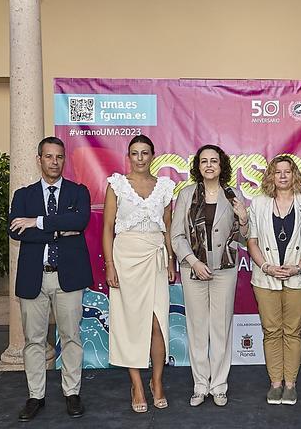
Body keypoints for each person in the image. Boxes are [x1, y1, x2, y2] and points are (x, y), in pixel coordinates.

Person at [8, 136, 92, 421]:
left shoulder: (78, 192)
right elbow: (16, 231)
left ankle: (72, 393)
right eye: (48, 157)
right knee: (33, 340)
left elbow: (80, 222)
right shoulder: (23, 195)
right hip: (35, 278)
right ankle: (35, 396)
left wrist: (38, 222)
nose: (54, 162)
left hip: (68, 278)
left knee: (71, 337)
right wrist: (58, 230)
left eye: (58, 157)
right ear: (39, 159)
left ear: (64, 159)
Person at [102, 135, 176, 413]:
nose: (140, 158)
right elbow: (108, 227)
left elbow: (167, 227)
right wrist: (110, 265)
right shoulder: (117, 185)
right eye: (135, 153)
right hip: (125, 259)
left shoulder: (165, 187)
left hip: (155, 258)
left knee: (157, 325)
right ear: (129, 156)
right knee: (132, 325)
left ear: (153, 155)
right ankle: (137, 385)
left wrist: (170, 261)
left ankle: (157, 382)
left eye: (145, 152)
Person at [171, 144, 249, 407]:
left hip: (224, 271)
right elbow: (177, 236)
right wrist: (193, 262)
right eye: (204, 161)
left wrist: (245, 219)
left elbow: (244, 238)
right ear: (198, 166)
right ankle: (200, 385)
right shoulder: (186, 194)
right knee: (197, 328)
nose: (209, 165)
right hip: (194, 270)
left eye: (213, 161)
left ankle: (219, 386)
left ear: (221, 165)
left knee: (220, 329)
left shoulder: (234, 194)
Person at [246, 155, 301, 406]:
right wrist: (266, 266)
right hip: (265, 278)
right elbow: (251, 240)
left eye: (287, 171)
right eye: (277, 172)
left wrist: (299, 267)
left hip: (299, 277)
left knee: (293, 332)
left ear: (295, 175)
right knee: (271, 331)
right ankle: (275, 383)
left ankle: (291, 384)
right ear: (271, 176)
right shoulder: (259, 202)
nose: (283, 176)